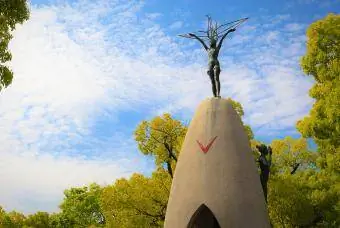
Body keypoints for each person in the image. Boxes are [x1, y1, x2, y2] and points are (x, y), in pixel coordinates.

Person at [188, 27, 236, 97]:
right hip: (210, 64)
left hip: (216, 63)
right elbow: (201, 41)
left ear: (214, 42)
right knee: (212, 81)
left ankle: (218, 94)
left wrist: (228, 32)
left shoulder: (217, 48)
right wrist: (195, 36)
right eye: (210, 41)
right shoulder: (208, 49)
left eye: (212, 41)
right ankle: (214, 96)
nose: (210, 42)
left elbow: (222, 39)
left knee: (217, 78)